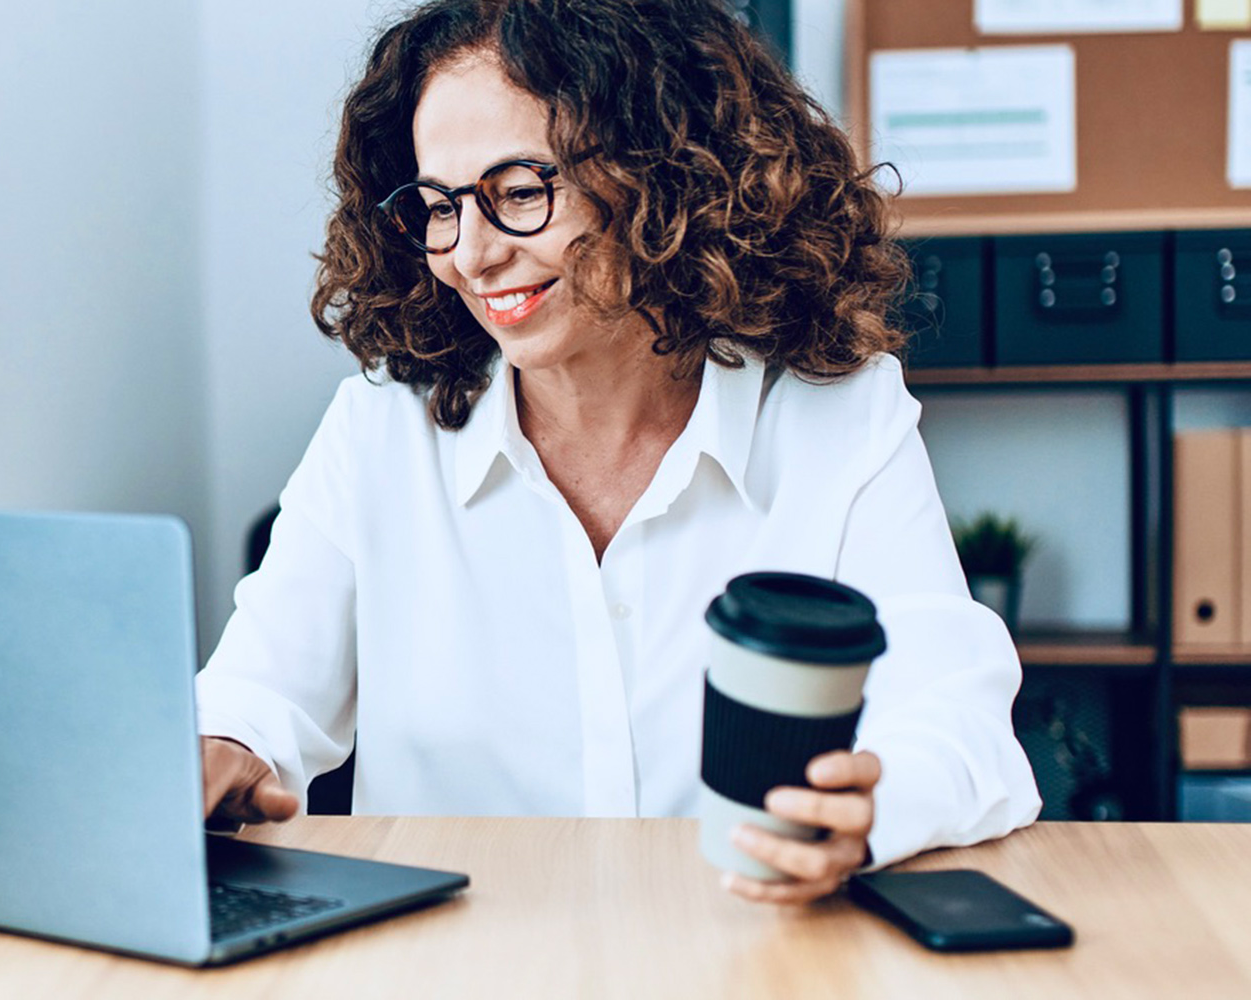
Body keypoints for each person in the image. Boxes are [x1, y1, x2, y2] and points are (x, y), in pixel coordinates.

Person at [196, 0, 1041, 906]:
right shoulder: (378, 433)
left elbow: (962, 728)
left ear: (666, 177)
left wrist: (868, 810)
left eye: (518, 192)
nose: (470, 255)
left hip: (747, 957)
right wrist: (223, 747)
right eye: (438, 207)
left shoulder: (836, 419)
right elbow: (254, 695)